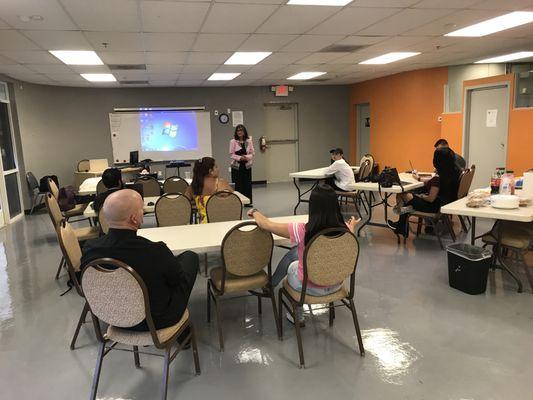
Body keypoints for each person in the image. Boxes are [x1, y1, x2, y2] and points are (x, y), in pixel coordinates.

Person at [81, 189, 199, 332]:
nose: (143, 213)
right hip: (155, 320)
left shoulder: (90, 248)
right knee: (190, 257)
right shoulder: (155, 250)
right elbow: (177, 280)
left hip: (112, 317)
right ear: (134, 218)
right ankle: (182, 333)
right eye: (142, 210)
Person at [248, 184, 359, 324]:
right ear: (335, 205)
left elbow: (266, 225)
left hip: (308, 287)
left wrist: (255, 212)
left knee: (293, 263)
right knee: (296, 254)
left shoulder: (302, 229)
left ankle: (297, 316)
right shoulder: (346, 231)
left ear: (312, 207)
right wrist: (352, 226)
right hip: (337, 284)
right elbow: (350, 237)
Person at [389, 147, 461, 237]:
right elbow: (434, 184)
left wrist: (421, 196)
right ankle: (402, 224)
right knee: (409, 199)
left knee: (402, 194)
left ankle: (401, 223)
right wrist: (418, 178)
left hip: (432, 206)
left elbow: (431, 198)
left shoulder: (438, 178)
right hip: (443, 204)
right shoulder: (454, 172)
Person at [185, 157, 233, 224]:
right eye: (216, 167)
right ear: (210, 171)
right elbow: (233, 199)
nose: (218, 169)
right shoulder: (220, 183)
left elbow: (184, 202)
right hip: (222, 223)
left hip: (204, 225)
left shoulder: (193, 187)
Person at [229, 124, 255, 206]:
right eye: (238, 130)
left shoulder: (249, 141)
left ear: (244, 131)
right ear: (236, 132)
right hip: (236, 166)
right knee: (238, 184)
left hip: (246, 165)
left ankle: (248, 202)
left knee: (247, 183)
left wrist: (246, 157)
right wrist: (240, 158)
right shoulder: (233, 141)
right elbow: (231, 154)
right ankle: (238, 202)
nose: (239, 132)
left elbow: (252, 153)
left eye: (241, 130)